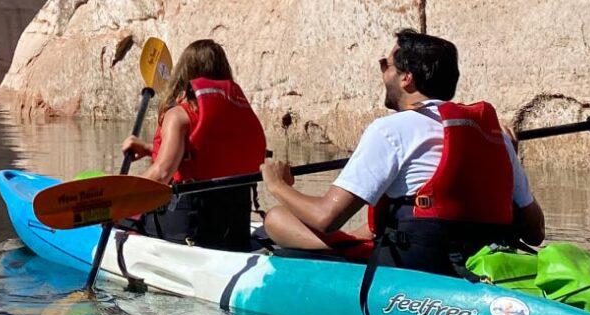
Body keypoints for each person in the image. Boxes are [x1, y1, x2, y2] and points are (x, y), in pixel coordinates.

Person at [258, 29, 544, 274]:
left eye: (386, 64)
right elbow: (535, 233)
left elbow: (326, 218)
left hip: (416, 267)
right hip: (480, 265)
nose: (383, 72)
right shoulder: (497, 140)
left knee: (276, 219)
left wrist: (277, 184)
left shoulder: (390, 130)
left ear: (406, 77)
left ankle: (343, 269)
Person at [118, 39, 268, 251]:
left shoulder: (180, 115)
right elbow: (211, 154)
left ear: (183, 72)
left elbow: (161, 174)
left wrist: (117, 199)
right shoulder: (238, 113)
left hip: (190, 229)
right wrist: (149, 148)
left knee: (124, 217)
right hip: (235, 229)